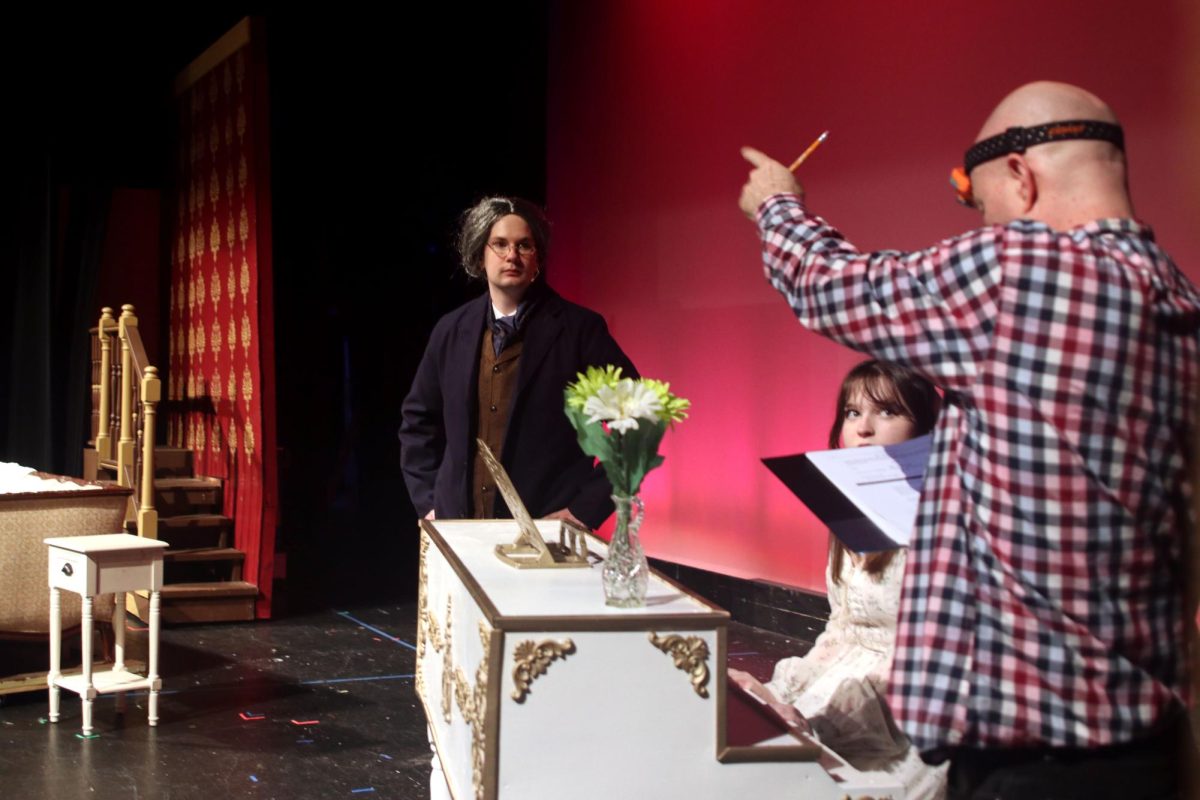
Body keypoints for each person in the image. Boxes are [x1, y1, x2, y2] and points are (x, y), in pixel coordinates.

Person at [738, 81, 1199, 799]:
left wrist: (776, 202)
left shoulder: (1028, 270)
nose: (978, 220)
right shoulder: (1176, 301)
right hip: (1145, 750)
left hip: (1032, 767)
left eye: (972, 198)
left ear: (1019, 172)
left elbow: (828, 283)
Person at [732, 359, 946, 799]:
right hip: (843, 689)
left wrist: (816, 719)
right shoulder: (850, 515)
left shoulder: (943, 523)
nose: (863, 428)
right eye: (853, 413)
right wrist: (781, 695)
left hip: (909, 722)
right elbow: (841, 628)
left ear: (925, 431)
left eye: (887, 412)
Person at [399, 196, 636, 530]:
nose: (512, 255)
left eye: (524, 245)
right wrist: (429, 503)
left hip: (547, 535)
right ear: (480, 255)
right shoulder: (451, 330)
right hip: (458, 534)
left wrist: (586, 508)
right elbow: (417, 422)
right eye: (500, 244)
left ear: (537, 257)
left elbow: (639, 420)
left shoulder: (579, 330)